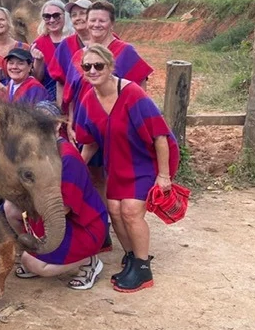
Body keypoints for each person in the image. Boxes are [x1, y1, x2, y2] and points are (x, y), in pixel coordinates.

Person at [75, 44, 179, 293]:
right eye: (87, 66)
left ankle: (143, 269)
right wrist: (76, 169)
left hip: (143, 162)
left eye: (98, 65)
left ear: (110, 67)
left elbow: (160, 136)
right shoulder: (89, 99)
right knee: (115, 210)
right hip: (117, 164)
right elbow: (88, 142)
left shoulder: (132, 93)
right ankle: (132, 257)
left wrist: (164, 176)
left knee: (131, 211)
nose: (92, 70)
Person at [3, 136, 108, 289]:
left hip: (81, 225)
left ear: (57, 125)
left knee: (31, 262)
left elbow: (62, 210)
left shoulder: (68, 159)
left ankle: (89, 260)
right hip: (48, 215)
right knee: (10, 208)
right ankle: (37, 249)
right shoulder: (34, 152)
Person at [60, 0, 153, 134]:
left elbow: (141, 89)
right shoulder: (78, 56)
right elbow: (71, 96)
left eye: (102, 21)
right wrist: (70, 125)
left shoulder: (125, 51)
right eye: (92, 20)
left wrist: (135, 122)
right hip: (83, 125)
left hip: (117, 127)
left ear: (112, 24)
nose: (96, 25)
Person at [47, 0, 92, 105]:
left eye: (82, 13)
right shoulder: (66, 45)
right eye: (74, 15)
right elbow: (60, 81)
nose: (78, 18)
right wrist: (61, 109)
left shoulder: (108, 41)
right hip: (75, 105)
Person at [30, 0, 72, 100]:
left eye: (56, 15)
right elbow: (37, 79)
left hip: (73, 91)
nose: (52, 20)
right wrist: (38, 61)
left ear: (65, 15)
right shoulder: (38, 44)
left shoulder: (74, 39)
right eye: (47, 16)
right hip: (49, 95)